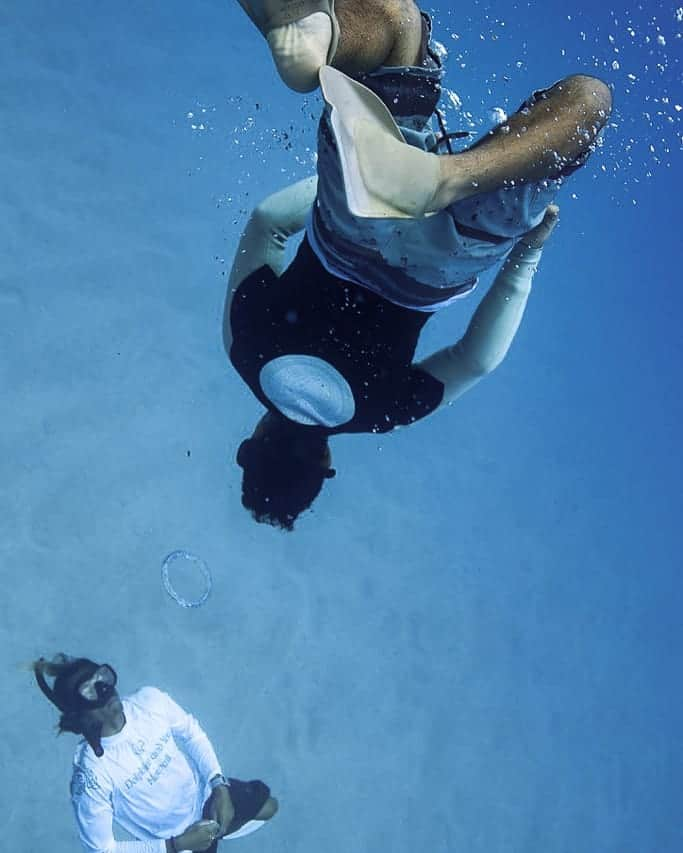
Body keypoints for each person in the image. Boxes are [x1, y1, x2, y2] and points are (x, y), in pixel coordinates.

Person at [225, 0, 612, 530]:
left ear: (324, 466)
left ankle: (454, 176)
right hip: (349, 223)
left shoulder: (383, 413)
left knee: (586, 104)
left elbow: (476, 360)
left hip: (446, 263)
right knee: (397, 28)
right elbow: (268, 220)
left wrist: (528, 250)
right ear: (253, 440)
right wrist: (350, 190)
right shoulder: (243, 346)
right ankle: (321, 38)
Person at [33, 655, 278, 852]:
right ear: (80, 714)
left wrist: (219, 785)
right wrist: (175, 845)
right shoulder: (91, 775)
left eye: (103, 679)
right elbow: (101, 849)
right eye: (90, 690)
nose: (106, 691)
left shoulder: (149, 700)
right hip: (173, 840)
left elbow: (191, 734)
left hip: (207, 799)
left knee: (268, 806)